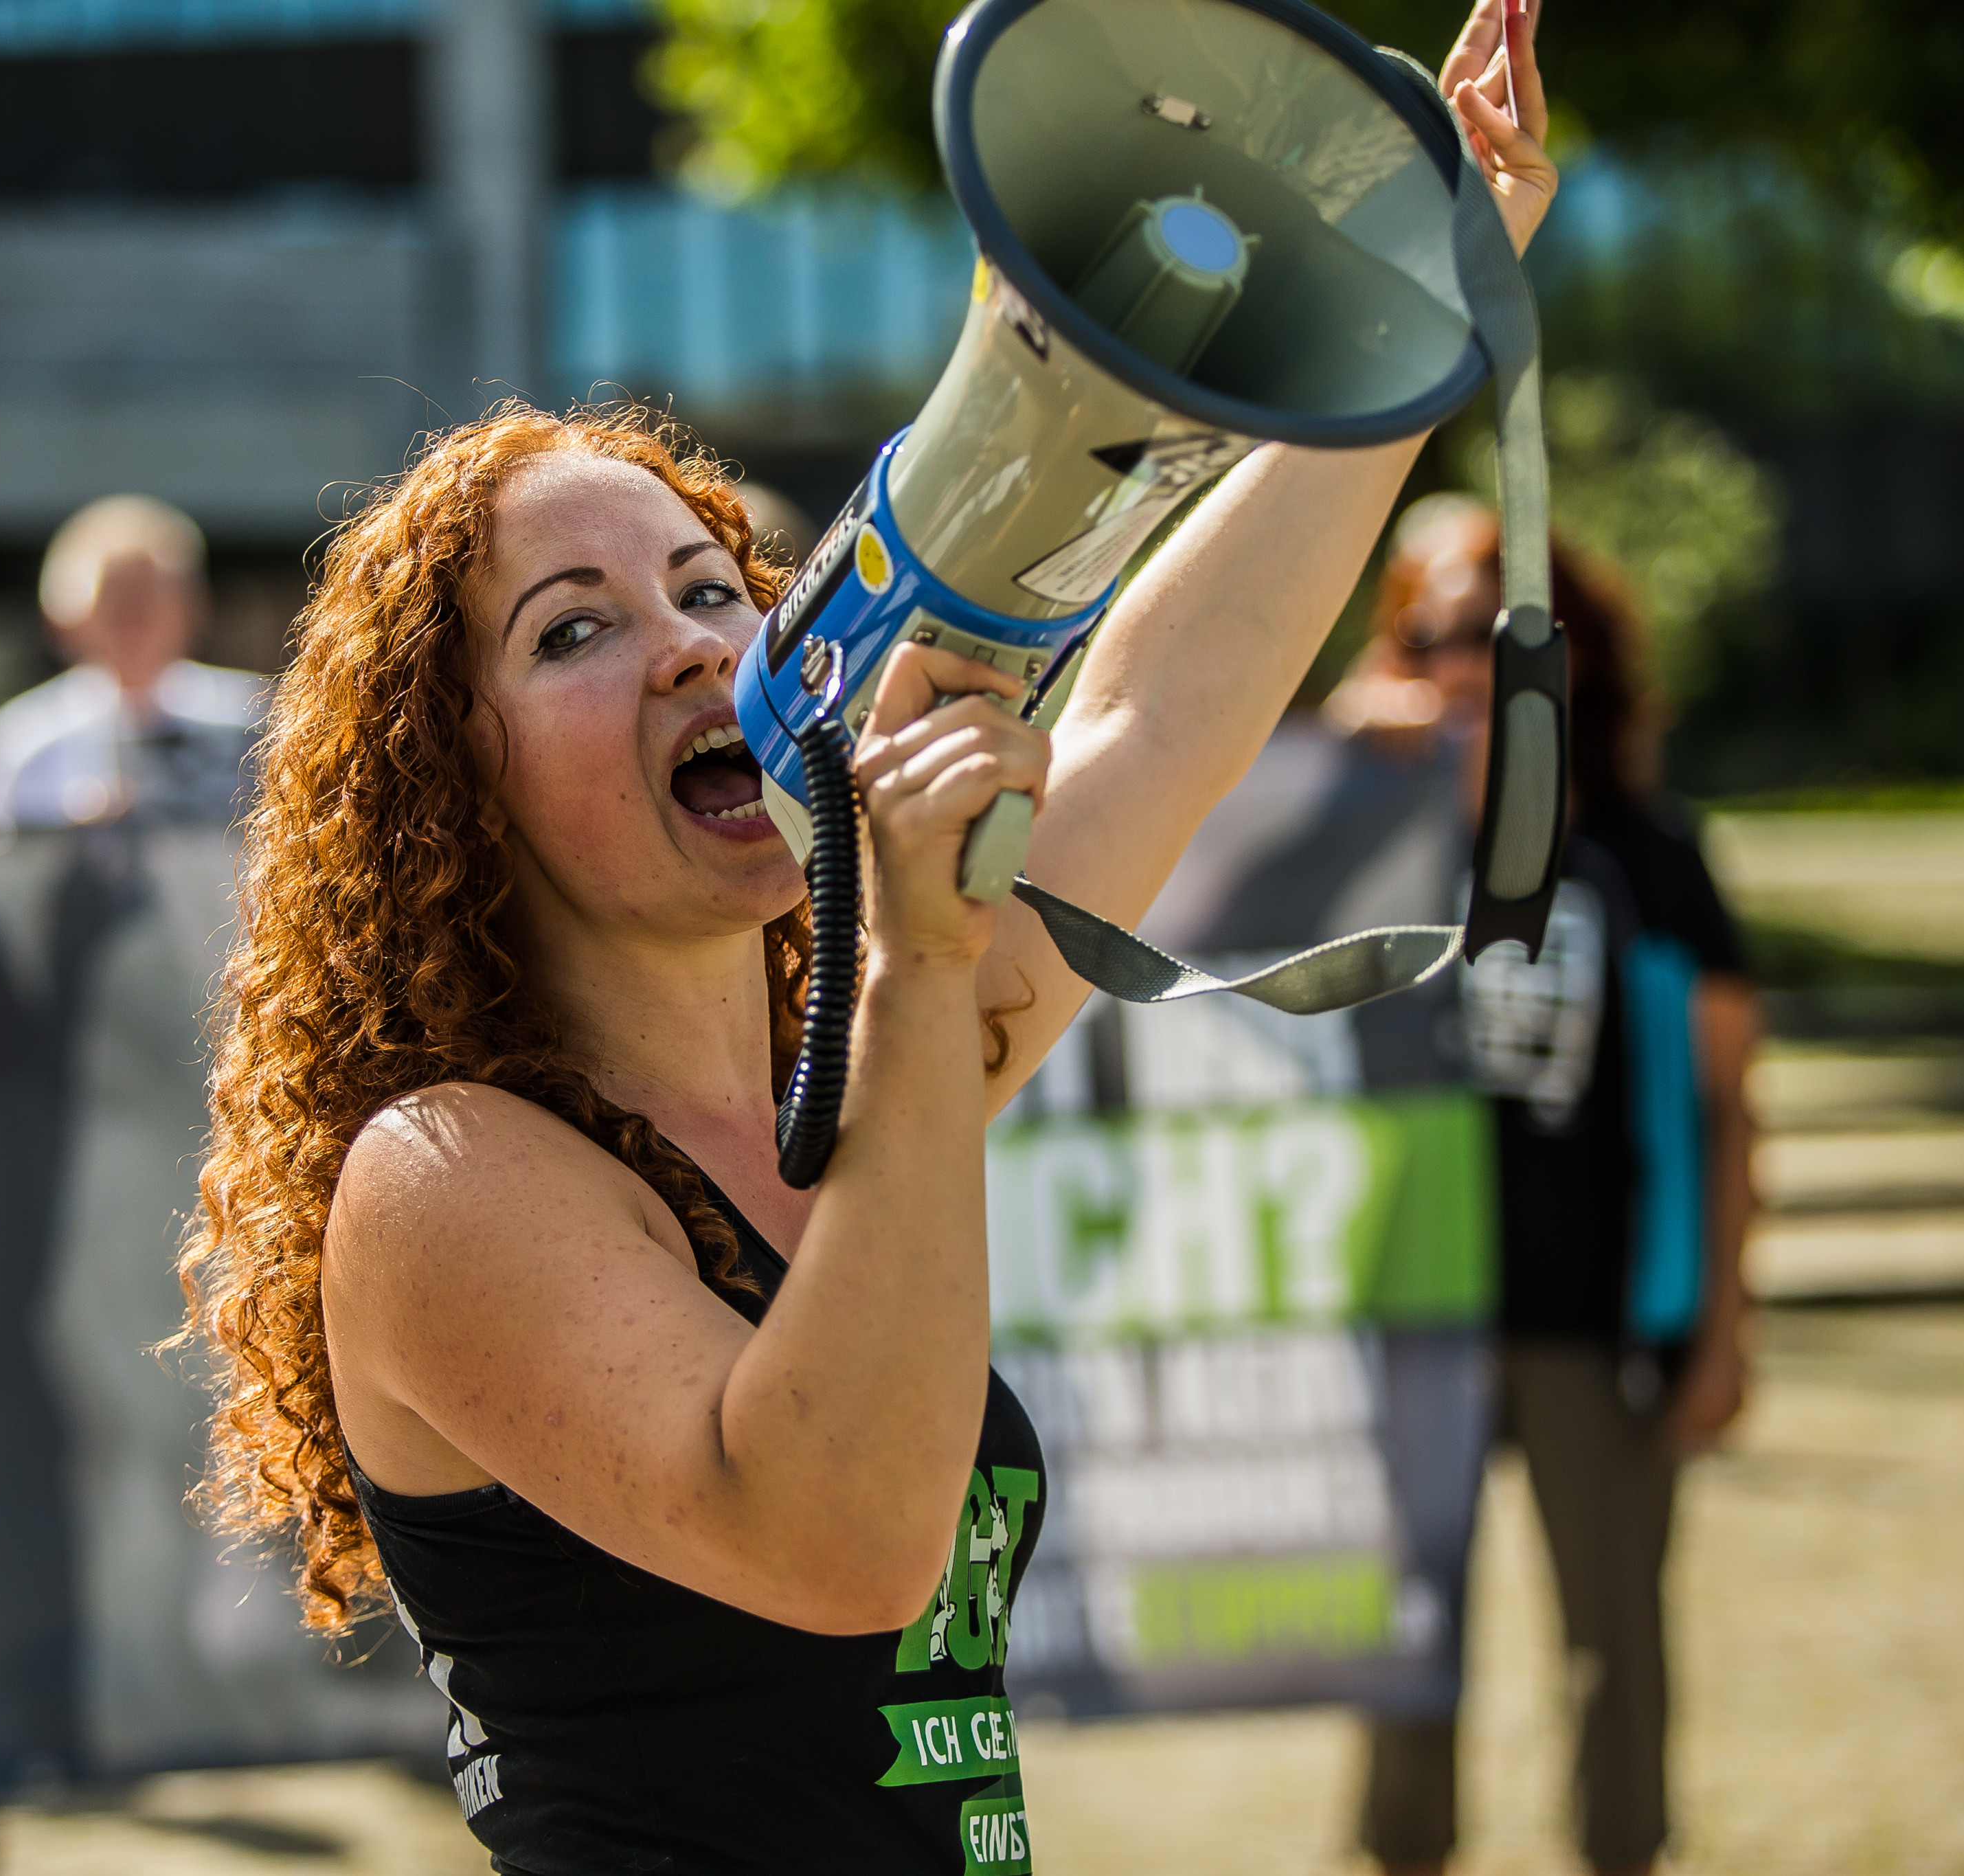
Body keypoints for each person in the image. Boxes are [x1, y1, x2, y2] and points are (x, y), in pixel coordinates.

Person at [172, 12, 1554, 1869]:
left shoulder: (857, 1052)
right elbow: (835, 1542)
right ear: (447, 789)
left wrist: (1425, 295)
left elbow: (1159, 710)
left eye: (707, 587)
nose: (689, 643)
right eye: (573, 629)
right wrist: (914, 969)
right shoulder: (445, 1176)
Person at [1337, 499, 1760, 1876]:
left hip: (1597, 1311)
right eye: (1428, 637)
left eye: (1497, 632)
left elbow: (1726, 1105)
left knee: (1613, 1645)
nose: (1461, 665)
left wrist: (1725, 1328)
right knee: (1405, 1647)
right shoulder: (1360, 839)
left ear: (1571, 653)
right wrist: (1339, 760)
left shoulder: (1648, 855)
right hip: (1414, 1313)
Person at [0, 495, 264, 833]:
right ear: (61, 618)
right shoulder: (22, 741)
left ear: (194, 608)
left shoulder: (252, 719)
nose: (133, 616)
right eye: (111, 596)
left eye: (150, 593)